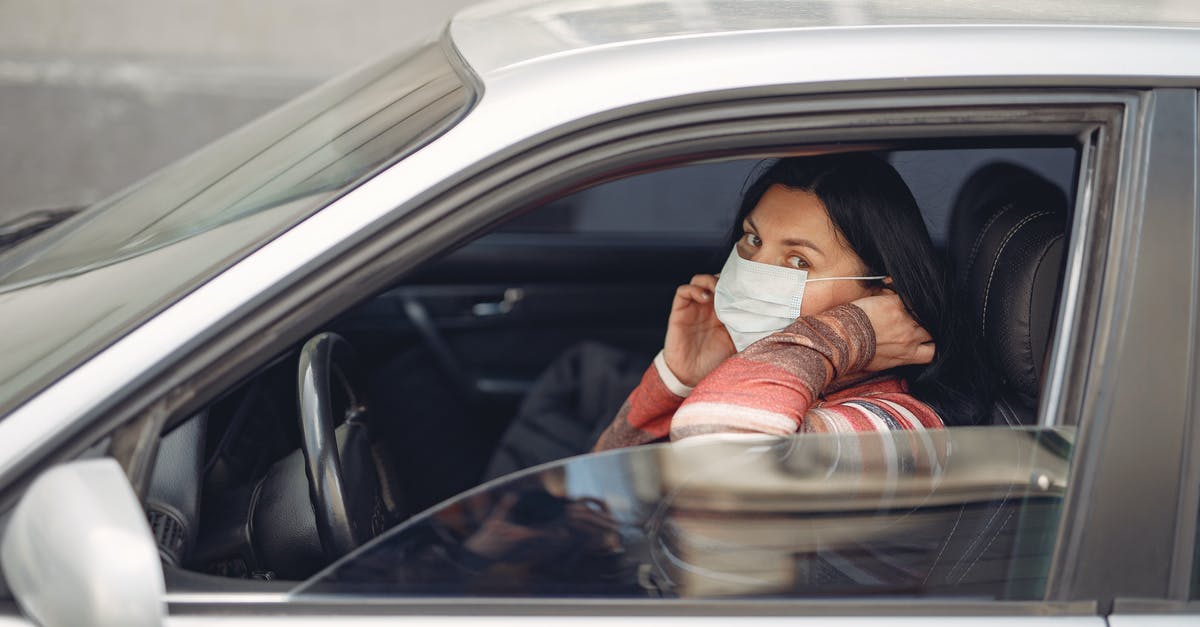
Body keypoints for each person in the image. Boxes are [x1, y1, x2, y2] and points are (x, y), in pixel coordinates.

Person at [594, 152, 985, 450]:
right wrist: (681, 379)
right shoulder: (764, 379)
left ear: (881, 293)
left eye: (799, 261)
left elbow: (716, 449)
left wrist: (842, 333)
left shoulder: (898, 423)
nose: (752, 272)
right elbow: (609, 498)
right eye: (753, 240)